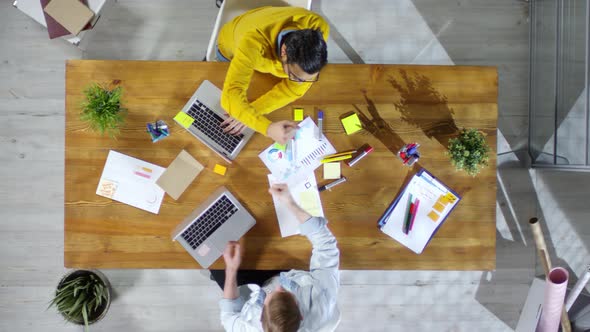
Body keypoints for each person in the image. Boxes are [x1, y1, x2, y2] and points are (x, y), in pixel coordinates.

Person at [217, 184, 340, 331]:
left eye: (272, 294)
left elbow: (228, 315)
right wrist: (290, 203)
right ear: (301, 315)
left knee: (216, 261)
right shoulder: (323, 304)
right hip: (295, 272)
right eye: (286, 292)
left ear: (261, 316)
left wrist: (231, 270)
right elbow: (326, 246)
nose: (279, 286)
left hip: (256, 286)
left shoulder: (247, 327)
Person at [216, 6, 330, 145]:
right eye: (295, 76)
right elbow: (230, 97)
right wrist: (268, 128)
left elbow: (293, 90)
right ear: (284, 52)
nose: (301, 84)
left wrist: (250, 113)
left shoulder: (318, 26)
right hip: (231, 46)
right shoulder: (252, 43)